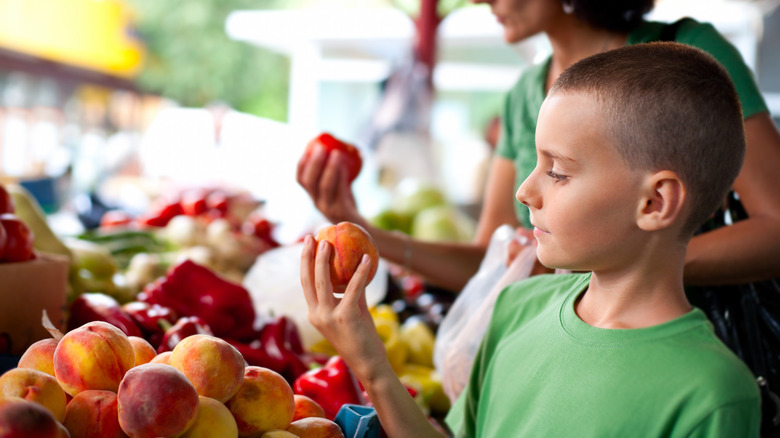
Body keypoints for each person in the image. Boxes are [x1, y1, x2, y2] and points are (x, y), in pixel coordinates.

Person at [300, 42, 760, 437]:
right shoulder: (516, 307)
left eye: (557, 172)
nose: (524, 191)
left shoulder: (712, 394)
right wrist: (370, 363)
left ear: (655, 203)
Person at [296, 0, 780, 293]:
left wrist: (623, 260)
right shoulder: (525, 93)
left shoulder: (692, 57)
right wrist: (364, 233)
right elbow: (494, 261)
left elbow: (775, 228)